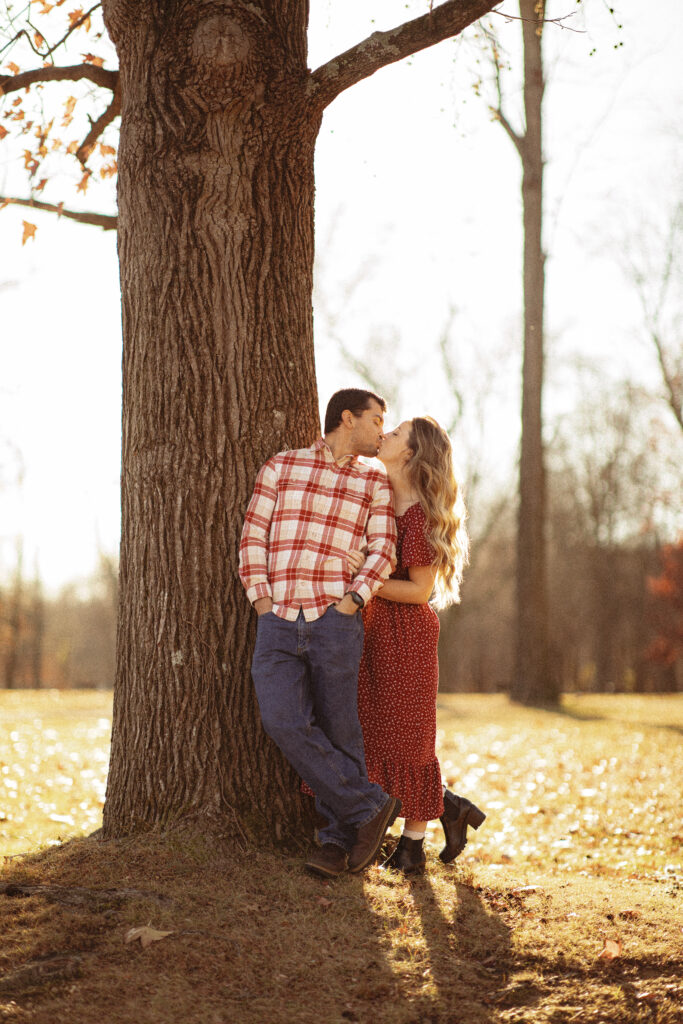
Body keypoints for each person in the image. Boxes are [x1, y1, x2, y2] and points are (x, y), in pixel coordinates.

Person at [238, 388, 401, 879]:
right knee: (283, 721)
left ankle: (335, 844)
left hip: (336, 621)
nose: (380, 430)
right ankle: (369, 807)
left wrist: (352, 601)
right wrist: (263, 601)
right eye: (376, 421)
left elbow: (383, 549)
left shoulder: (375, 480)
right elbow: (253, 536)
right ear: (347, 419)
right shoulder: (282, 467)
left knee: (341, 730)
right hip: (279, 621)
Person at [353, 416, 486, 873]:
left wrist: (365, 581)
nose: (384, 435)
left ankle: (412, 847)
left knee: (408, 742)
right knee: (373, 731)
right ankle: (450, 808)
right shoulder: (379, 496)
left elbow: (419, 591)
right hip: (373, 627)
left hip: (405, 633)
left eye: (394, 434)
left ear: (408, 454)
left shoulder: (418, 514)